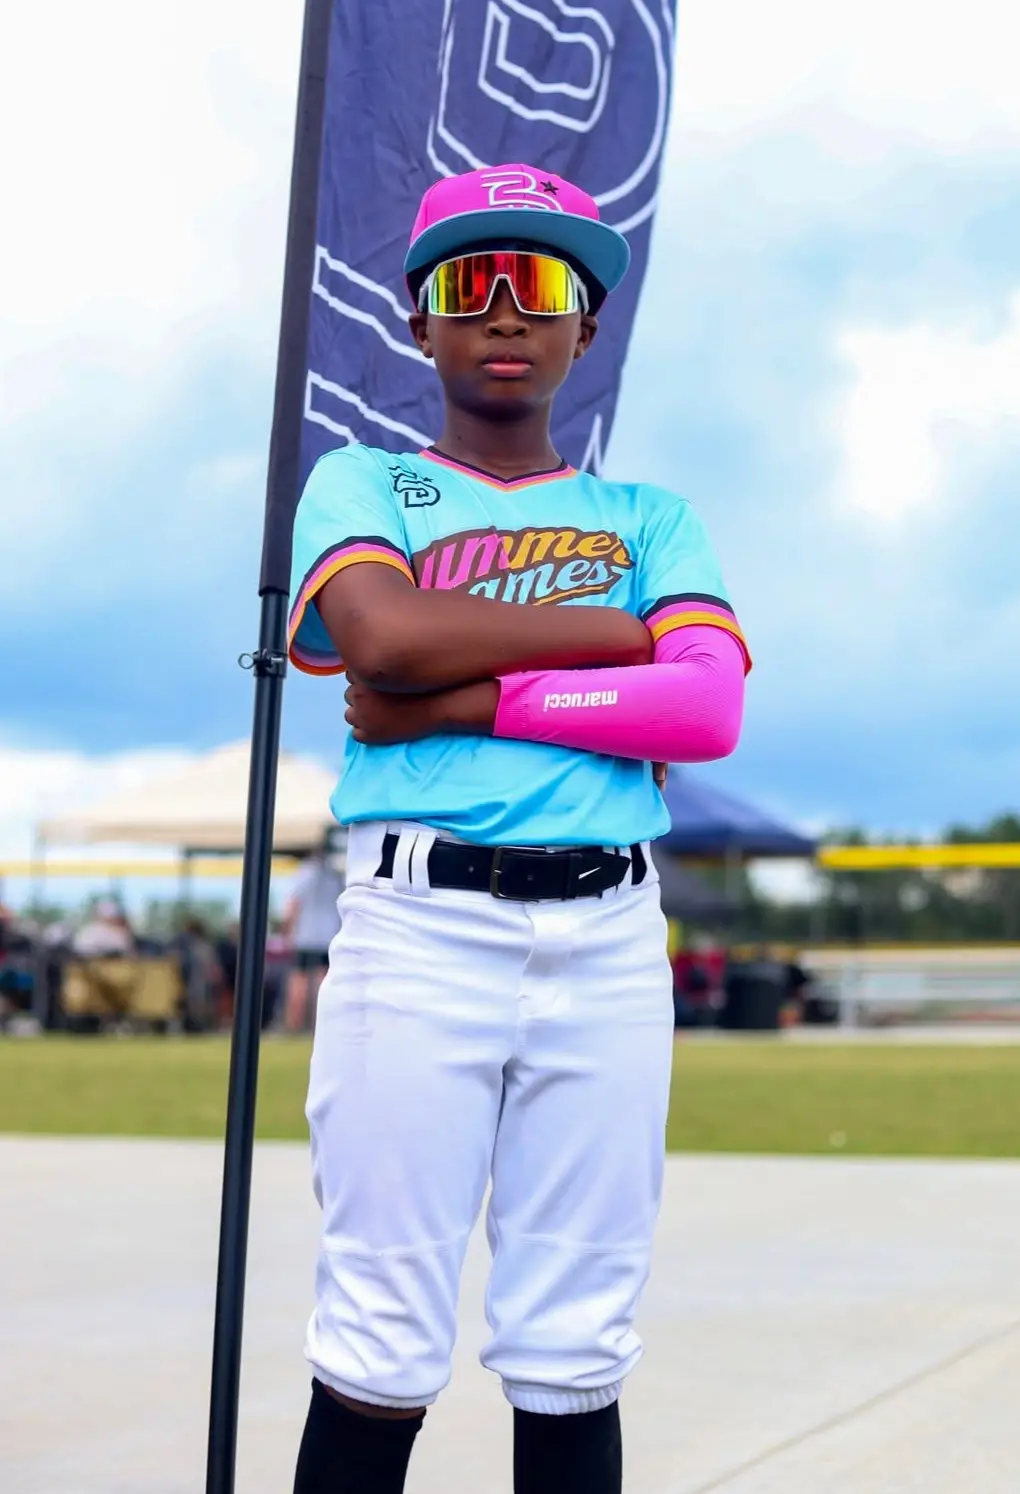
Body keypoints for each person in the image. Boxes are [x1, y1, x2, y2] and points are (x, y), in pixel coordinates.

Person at [287, 163, 751, 1494]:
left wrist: (476, 695)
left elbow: (704, 707)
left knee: (574, 1339)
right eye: (471, 282)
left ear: (583, 327)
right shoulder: (365, 481)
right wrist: (617, 636)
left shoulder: (648, 517)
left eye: (540, 283)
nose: (505, 309)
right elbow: (382, 638)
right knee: (380, 1333)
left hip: (609, 937)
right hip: (419, 927)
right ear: (419, 319)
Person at [282, 846, 344, 1032]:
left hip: (305, 936)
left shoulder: (304, 872)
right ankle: (318, 1024)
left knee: (299, 981)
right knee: (323, 981)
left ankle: (294, 1025)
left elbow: (293, 903)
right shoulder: (335, 875)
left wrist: (287, 931)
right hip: (329, 936)